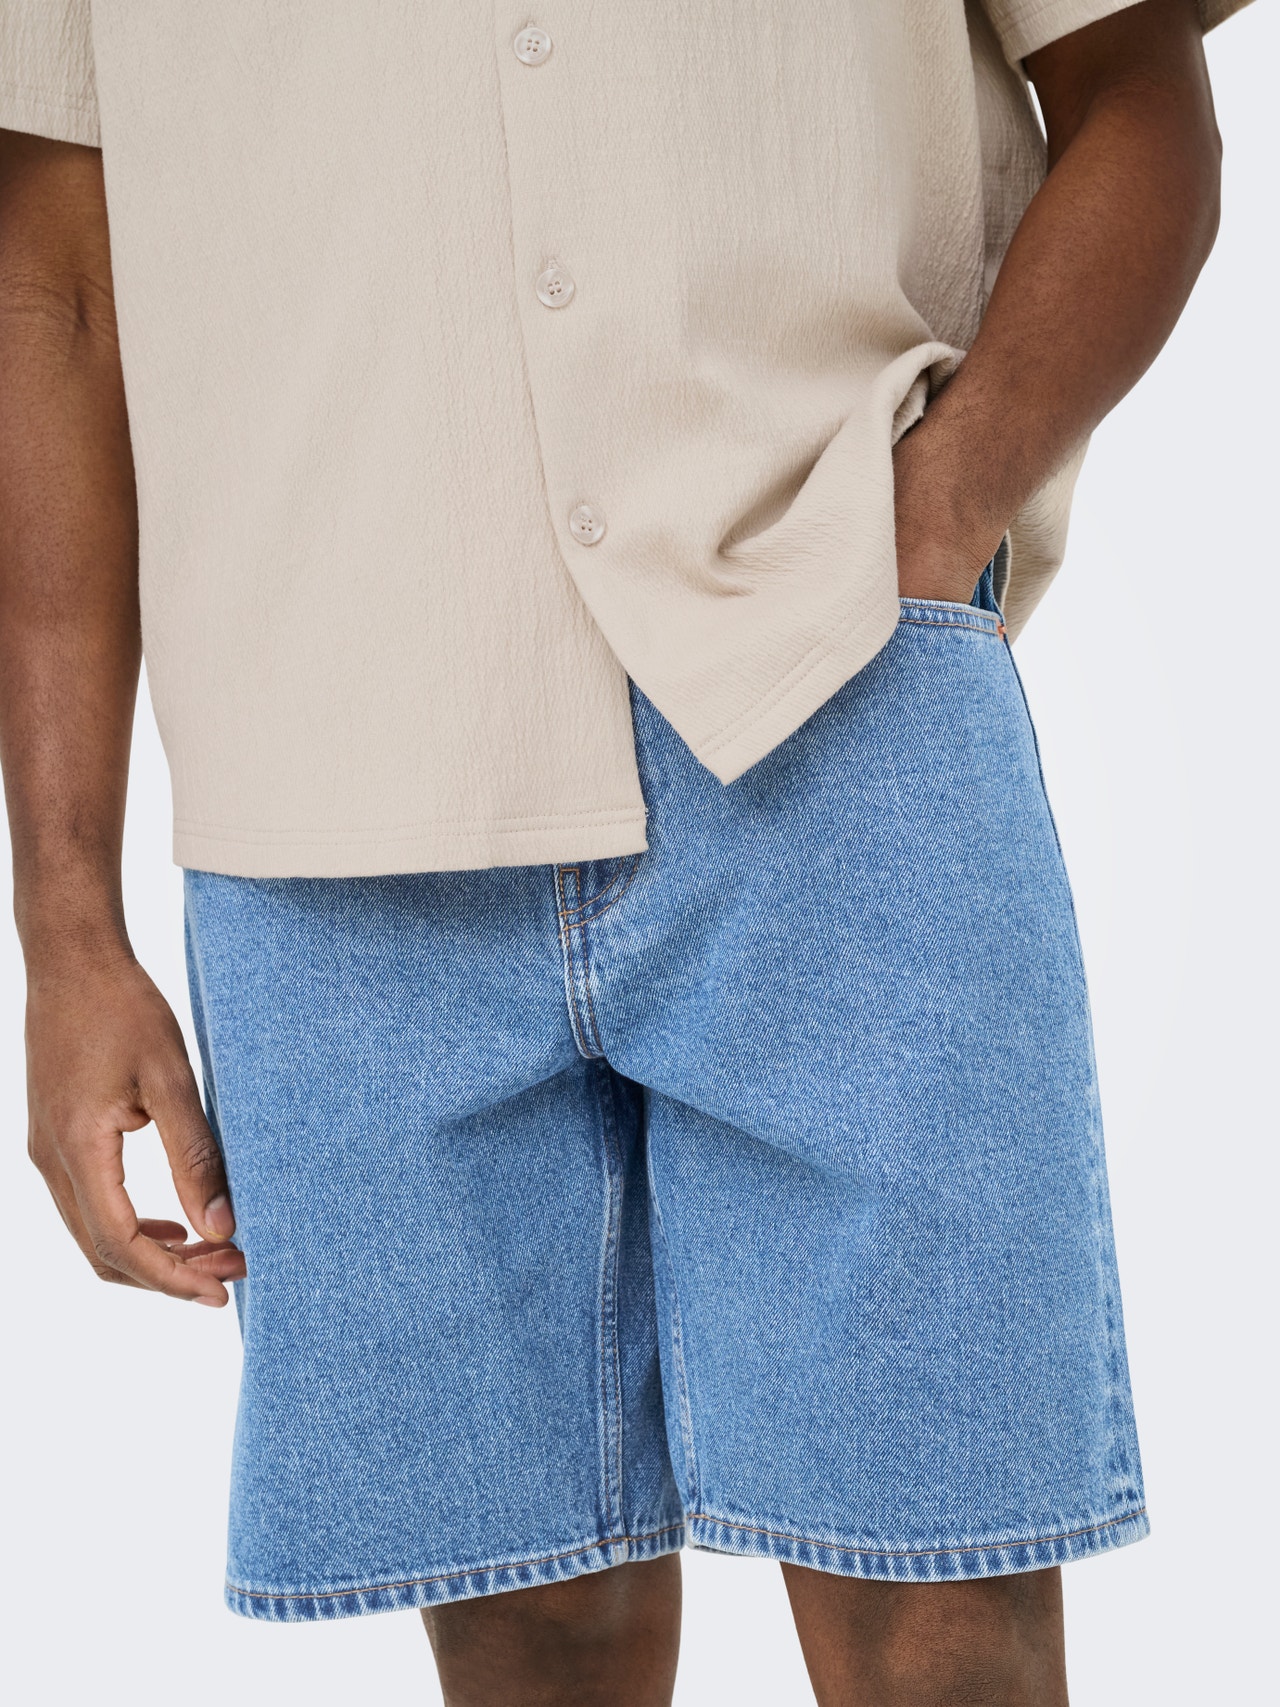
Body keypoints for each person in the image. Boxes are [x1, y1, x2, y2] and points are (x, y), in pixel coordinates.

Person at [0, 1, 1248, 1701]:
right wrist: (66, 926)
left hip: (830, 692)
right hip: (328, 780)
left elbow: (1138, 81)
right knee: (532, 1637)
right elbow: (54, 281)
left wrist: (948, 498)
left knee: (944, 1628)